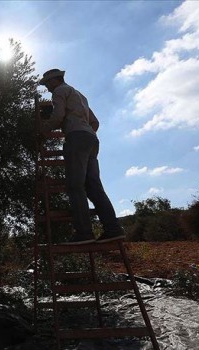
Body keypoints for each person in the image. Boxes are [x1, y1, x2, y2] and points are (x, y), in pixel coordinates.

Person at [38, 68, 124, 245]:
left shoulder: (60, 91)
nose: (46, 87)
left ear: (55, 80)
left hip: (77, 138)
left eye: (47, 83)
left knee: (75, 186)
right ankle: (113, 229)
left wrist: (43, 129)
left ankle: (84, 233)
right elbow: (95, 122)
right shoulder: (80, 95)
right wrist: (85, 133)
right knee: (93, 186)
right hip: (92, 140)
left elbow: (58, 115)